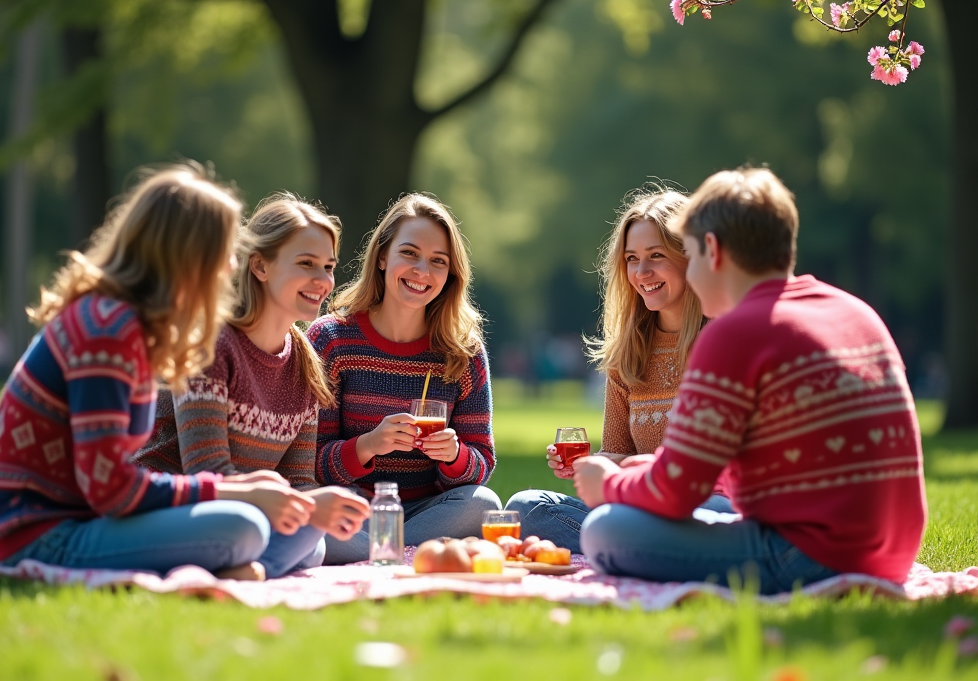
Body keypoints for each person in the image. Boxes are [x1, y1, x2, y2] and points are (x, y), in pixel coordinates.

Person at [575, 168, 927, 594]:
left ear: (711, 250)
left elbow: (678, 495)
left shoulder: (735, 332)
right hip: (894, 554)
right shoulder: (857, 312)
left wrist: (607, 483)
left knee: (605, 531)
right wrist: (648, 468)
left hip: (810, 556)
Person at [0, 165, 320, 580]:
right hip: (40, 534)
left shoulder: (128, 325)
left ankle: (236, 568)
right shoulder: (107, 329)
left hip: (85, 520)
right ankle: (233, 567)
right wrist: (237, 490)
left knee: (302, 534)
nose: (231, 266)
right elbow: (112, 489)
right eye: (222, 250)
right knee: (243, 528)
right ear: (187, 253)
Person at [134, 192, 370, 577]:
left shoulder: (305, 362)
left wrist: (324, 505)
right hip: (175, 507)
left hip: (249, 513)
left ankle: (242, 568)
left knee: (316, 542)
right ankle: (244, 565)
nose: (323, 280)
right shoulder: (212, 344)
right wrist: (306, 507)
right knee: (252, 529)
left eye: (328, 266)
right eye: (306, 264)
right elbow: (205, 473)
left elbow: (299, 481)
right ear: (259, 266)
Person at [504, 188, 730, 551]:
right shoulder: (628, 355)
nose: (642, 272)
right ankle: (645, 546)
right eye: (632, 258)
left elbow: (731, 463)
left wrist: (638, 465)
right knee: (527, 508)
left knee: (710, 510)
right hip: (640, 507)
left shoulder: (725, 340)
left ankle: (636, 545)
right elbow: (616, 455)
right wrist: (593, 465)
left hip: (706, 503)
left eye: (656, 256)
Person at [308, 193, 500, 564]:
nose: (422, 272)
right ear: (382, 257)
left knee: (483, 504)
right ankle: (412, 554)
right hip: (353, 512)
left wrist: (455, 455)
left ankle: (381, 553)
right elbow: (309, 460)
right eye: (409, 253)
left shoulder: (464, 352)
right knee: (310, 525)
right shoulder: (331, 339)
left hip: (427, 511)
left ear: (450, 275)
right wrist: (368, 444)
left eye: (437, 262)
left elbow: (482, 463)